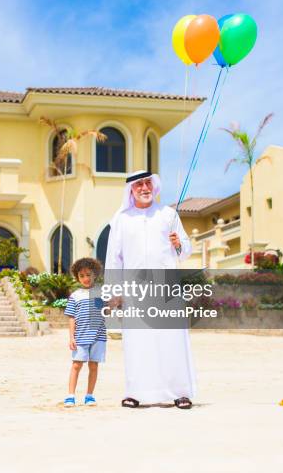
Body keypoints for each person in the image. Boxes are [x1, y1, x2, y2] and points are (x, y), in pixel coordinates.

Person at [104, 169, 196, 409]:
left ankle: (180, 393)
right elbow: (114, 258)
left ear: (153, 187)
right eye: (138, 185)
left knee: (172, 341)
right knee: (137, 343)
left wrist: (179, 244)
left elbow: (185, 251)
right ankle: (136, 393)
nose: (144, 188)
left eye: (147, 183)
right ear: (131, 190)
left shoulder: (168, 215)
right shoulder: (121, 219)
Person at [63, 257, 106, 408]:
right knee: (76, 365)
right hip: (80, 337)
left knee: (94, 366)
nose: (86, 278)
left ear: (95, 274)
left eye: (88, 274)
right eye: (82, 276)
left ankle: (89, 395)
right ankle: (70, 395)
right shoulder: (75, 296)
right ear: (77, 277)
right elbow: (71, 317)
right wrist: (71, 337)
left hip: (98, 337)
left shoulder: (102, 293)